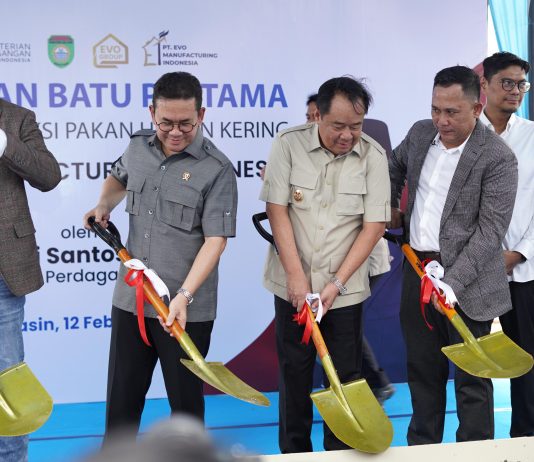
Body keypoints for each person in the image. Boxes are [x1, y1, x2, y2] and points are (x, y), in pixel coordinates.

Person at [83, 72, 237, 442]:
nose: (175, 132)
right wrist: (104, 204)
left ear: (201, 115)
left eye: (186, 123)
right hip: (132, 301)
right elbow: (118, 178)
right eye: (166, 122)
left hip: (183, 310)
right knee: (121, 403)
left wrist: (184, 296)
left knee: (185, 411)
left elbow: (216, 241)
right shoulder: (138, 147)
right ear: (152, 112)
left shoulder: (217, 169)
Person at [389, 65, 518, 445]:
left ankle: (474, 452)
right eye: (435, 109)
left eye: (451, 112)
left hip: (469, 282)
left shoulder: (497, 157)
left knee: (472, 382)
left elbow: (490, 231)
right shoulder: (419, 134)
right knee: (422, 373)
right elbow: (392, 167)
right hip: (417, 270)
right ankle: (422, 449)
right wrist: (389, 206)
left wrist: (452, 283)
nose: (441, 121)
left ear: (476, 109)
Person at [260, 76, 390, 452]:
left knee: (345, 377)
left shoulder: (373, 157)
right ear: (318, 115)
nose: (347, 135)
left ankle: (340, 454)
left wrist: (336, 284)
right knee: (294, 374)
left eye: (356, 126)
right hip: (293, 287)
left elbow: (374, 226)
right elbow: (277, 210)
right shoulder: (288, 144)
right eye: (338, 126)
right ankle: (294, 454)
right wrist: (296, 278)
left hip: (344, 291)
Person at [0, 99, 61, 461]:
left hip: (2, 276)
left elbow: (49, 176)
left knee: (9, 385)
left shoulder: (17, 119)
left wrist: (3, 142)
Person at [480, 51, 534, 438]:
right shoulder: (463, 133)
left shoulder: (532, 135)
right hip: (471, 272)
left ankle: (525, 442)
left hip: (526, 268)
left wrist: (517, 253)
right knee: (477, 368)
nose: (515, 91)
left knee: (527, 362)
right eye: (507, 83)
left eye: (522, 84)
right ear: (484, 84)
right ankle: (477, 446)